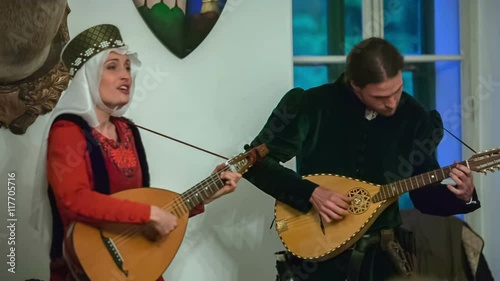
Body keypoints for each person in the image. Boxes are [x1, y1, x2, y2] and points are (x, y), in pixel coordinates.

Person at [243, 37, 481, 281]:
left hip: (382, 259)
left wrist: (462, 196)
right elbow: (253, 164)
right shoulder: (311, 106)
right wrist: (310, 192)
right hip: (317, 254)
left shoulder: (415, 117)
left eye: (397, 91)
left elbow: (424, 196)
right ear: (355, 85)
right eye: (379, 97)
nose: (392, 104)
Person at [34, 24, 242, 281]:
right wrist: (150, 214)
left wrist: (206, 196)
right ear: (88, 76)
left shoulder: (128, 130)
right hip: (86, 270)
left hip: (137, 267)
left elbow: (144, 203)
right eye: (112, 67)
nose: (126, 76)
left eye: (128, 67)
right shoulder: (67, 130)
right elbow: (73, 200)